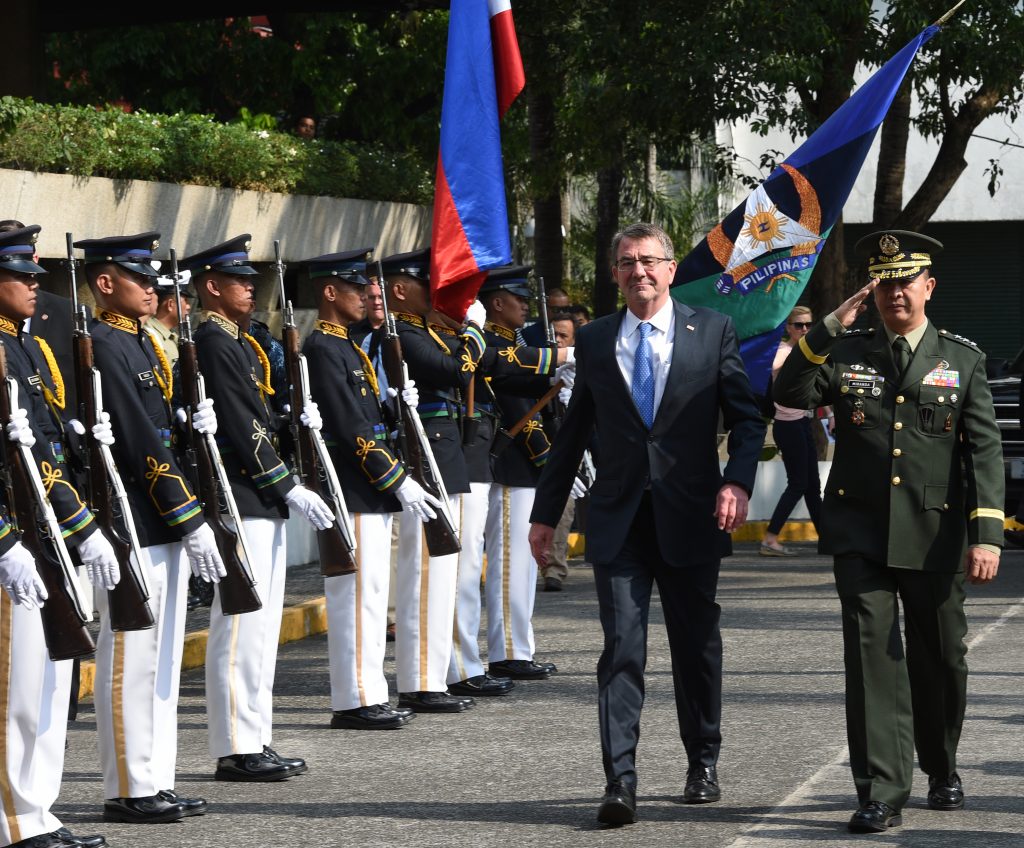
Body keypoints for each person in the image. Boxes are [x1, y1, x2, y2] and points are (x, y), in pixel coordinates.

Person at [529, 222, 765, 825]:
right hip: (620, 521)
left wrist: (736, 480)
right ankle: (620, 781)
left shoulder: (711, 331)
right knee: (622, 650)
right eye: (628, 262)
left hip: (692, 516)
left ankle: (702, 761)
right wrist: (544, 517)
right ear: (615, 274)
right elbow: (573, 432)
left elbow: (745, 418)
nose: (640, 272)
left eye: (651, 261)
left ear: (669, 269)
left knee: (695, 649)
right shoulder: (598, 338)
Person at [773, 230, 1004, 834]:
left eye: (906, 281)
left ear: (929, 286)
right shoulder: (844, 351)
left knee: (942, 658)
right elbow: (787, 391)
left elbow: (983, 451)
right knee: (872, 658)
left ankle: (942, 763)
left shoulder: (962, 358)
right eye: (884, 282)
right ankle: (881, 789)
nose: (895, 292)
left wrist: (987, 535)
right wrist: (824, 328)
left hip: (935, 533)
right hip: (860, 531)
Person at [77, 231, 222, 825]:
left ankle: (156, 775)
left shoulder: (142, 342)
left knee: (161, 659)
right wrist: (188, 514)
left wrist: (193, 418)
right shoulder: (107, 344)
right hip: (137, 516)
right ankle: (129, 786)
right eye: (140, 278)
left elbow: (164, 425)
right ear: (106, 282)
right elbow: (139, 440)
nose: (152, 288)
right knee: (131, 654)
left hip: (164, 513)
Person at [181, 235, 332, 781]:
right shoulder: (216, 343)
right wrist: (285, 482)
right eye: (239, 280)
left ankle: (255, 735)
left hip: (258, 496)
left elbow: (263, 416)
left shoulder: (242, 342)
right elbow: (244, 426)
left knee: (261, 625)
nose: (251, 286)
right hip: (240, 494)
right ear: (212, 287)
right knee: (241, 624)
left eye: (252, 279)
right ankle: (236, 745)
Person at [0, 225, 119, 848]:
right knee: (14, 689)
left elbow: (42, 449)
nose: (32, 286)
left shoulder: (18, 347)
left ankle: (37, 808)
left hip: (44, 526)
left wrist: (80, 524)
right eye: (19, 276)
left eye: (32, 275)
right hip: (14, 537)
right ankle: (13, 818)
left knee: (48, 681)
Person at [301, 247, 428, 729]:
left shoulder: (348, 346)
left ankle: (370, 689)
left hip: (368, 487)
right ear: (330, 293)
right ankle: (354, 698)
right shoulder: (322, 347)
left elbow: (370, 418)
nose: (365, 296)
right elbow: (352, 427)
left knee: (373, 594)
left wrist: (397, 408)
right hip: (352, 487)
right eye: (355, 289)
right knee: (356, 596)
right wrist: (396, 479)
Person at [382, 247, 486, 713]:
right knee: (426, 571)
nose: (436, 290)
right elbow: (454, 368)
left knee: (444, 573)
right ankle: (420, 680)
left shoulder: (425, 330)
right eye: (427, 282)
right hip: (425, 456)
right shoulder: (400, 333)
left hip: (444, 455)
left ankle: (434, 673)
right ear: (400, 290)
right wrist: (477, 333)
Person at [760, 305, 823, 556]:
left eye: (808, 325)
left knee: (812, 486)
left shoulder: (805, 351)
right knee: (798, 483)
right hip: (787, 425)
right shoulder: (784, 351)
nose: (805, 329)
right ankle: (770, 538)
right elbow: (770, 367)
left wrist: (828, 415)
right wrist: (792, 356)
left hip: (803, 422)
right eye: (799, 325)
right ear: (789, 328)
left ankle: (826, 538)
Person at [541, 312, 579, 591]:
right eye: (553, 335)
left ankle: (554, 568)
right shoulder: (535, 366)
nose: (557, 340)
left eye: (563, 336)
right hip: (529, 450)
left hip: (561, 453)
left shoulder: (579, 375)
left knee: (563, 507)